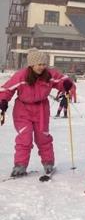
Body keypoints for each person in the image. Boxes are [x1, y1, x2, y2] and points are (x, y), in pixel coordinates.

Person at [0, 48, 72, 177]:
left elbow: (64, 80)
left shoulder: (49, 75)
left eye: (44, 64)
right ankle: (20, 166)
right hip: (23, 109)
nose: (41, 67)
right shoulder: (21, 75)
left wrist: (66, 85)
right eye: (39, 64)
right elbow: (6, 89)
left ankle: (48, 163)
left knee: (43, 137)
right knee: (25, 138)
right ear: (32, 64)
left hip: (41, 110)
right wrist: (3, 101)